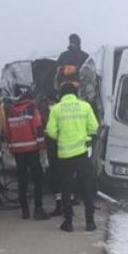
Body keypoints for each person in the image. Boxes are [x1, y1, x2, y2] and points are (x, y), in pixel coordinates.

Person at [45, 83, 99, 232]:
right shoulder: (85, 106)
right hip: (82, 153)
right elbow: (94, 127)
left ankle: (68, 223)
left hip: (65, 155)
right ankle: (90, 222)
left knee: (66, 189)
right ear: (76, 93)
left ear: (62, 94)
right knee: (87, 187)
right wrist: (85, 137)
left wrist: (61, 137)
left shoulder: (56, 109)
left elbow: (51, 131)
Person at [3, 85, 50, 220]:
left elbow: (8, 134)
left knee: (22, 180)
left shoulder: (11, 112)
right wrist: (42, 146)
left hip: (18, 152)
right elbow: (38, 128)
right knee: (37, 180)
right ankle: (38, 209)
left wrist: (12, 148)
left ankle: (24, 210)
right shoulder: (31, 109)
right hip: (33, 150)